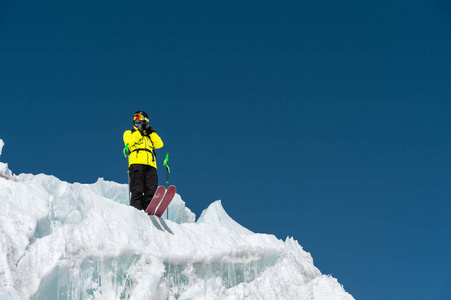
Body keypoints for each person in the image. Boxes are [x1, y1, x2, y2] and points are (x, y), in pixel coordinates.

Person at [123, 111, 164, 211]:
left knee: (151, 190)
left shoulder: (149, 135)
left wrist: (151, 132)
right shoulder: (129, 132)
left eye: (138, 117)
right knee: (138, 189)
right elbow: (128, 142)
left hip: (151, 165)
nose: (136, 119)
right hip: (136, 163)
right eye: (135, 117)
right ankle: (136, 211)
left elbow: (159, 144)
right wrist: (140, 131)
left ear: (145, 119)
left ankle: (149, 211)